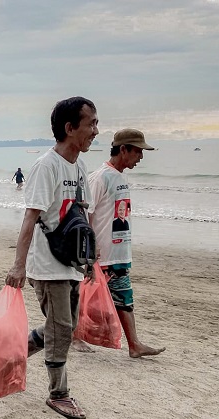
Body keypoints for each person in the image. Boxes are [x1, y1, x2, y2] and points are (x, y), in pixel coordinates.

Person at [5, 96, 99, 419]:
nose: (96, 131)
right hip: (47, 266)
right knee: (61, 329)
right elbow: (30, 217)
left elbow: (80, 215)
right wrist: (19, 265)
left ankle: (12, 355)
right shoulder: (47, 166)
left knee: (64, 327)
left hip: (70, 263)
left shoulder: (80, 166)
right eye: (91, 124)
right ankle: (59, 394)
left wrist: (88, 258)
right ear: (70, 128)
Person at [85, 128, 166, 358]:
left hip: (119, 252)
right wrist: (92, 247)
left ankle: (133, 345)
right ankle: (75, 337)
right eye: (138, 151)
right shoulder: (100, 177)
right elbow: (86, 214)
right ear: (123, 150)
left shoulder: (121, 176)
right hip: (103, 254)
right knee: (89, 298)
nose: (141, 157)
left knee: (119, 298)